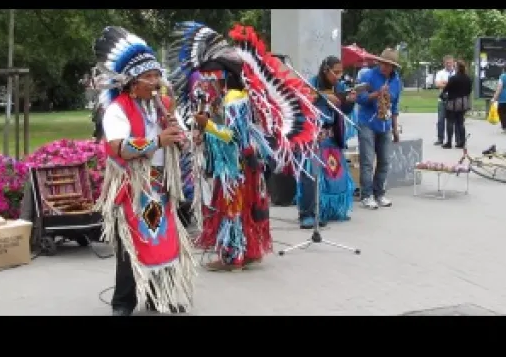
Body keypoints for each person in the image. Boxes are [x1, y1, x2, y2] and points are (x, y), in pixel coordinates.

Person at [167, 22, 320, 271]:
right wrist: (203, 134)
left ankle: (232, 257)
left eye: (211, 78)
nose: (207, 83)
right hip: (243, 164)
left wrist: (207, 126)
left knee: (232, 210)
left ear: (223, 77)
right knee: (245, 207)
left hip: (234, 167)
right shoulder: (233, 98)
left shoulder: (234, 99)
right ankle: (249, 252)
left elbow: (232, 137)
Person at [92, 26, 196, 316]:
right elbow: (117, 147)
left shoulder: (162, 105)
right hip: (133, 186)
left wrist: (182, 136)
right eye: (149, 77)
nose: (155, 81)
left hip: (161, 185)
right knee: (132, 244)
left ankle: (157, 297)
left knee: (163, 241)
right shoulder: (117, 109)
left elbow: (181, 136)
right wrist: (157, 141)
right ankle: (122, 303)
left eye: (156, 75)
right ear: (131, 83)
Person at [297, 56, 357, 229]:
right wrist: (324, 98)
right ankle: (307, 214)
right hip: (313, 137)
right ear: (326, 70)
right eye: (335, 72)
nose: (338, 76)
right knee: (312, 175)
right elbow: (303, 102)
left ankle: (327, 211)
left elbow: (343, 110)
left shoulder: (339, 87)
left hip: (332, 137)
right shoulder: (311, 84)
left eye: (341, 72)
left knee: (334, 175)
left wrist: (350, 102)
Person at [356, 48, 402, 210]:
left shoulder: (397, 81)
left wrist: (395, 130)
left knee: (384, 161)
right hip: (367, 123)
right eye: (383, 63)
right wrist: (375, 94)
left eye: (388, 65)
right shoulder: (367, 76)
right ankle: (366, 195)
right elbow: (358, 98)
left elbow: (395, 107)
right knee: (367, 161)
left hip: (385, 124)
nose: (384, 67)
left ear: (393, 67)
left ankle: (379, 193)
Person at [442, 60, 471, 148]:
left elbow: (446, 89)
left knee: (450, 122)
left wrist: (443, 94)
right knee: (461, 122)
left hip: (453, 102)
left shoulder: (453, 78)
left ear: (457, 68)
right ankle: (462, 142)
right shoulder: (468, 78)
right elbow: (469, 91)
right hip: (463, 102)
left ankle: (449, 142)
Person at [434, 55, 456, 146]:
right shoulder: (440, 73)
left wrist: (445, 83)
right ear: (444, 63)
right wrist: (450, 84)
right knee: (441, 119)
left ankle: (450, 139)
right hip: (442, 99)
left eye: (450, 62)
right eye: (447, 63)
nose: (448, 64)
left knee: (452, 121)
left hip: (453, 100)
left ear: (453, 63)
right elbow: (438, 84)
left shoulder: (456, 73)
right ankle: (440, 138)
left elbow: (456, 85)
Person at [492, 68, 506, 132]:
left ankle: (504, 127)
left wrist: (494, 98)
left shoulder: (502, 77)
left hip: (503, 98)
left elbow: (499, 88)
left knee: (501, 112)